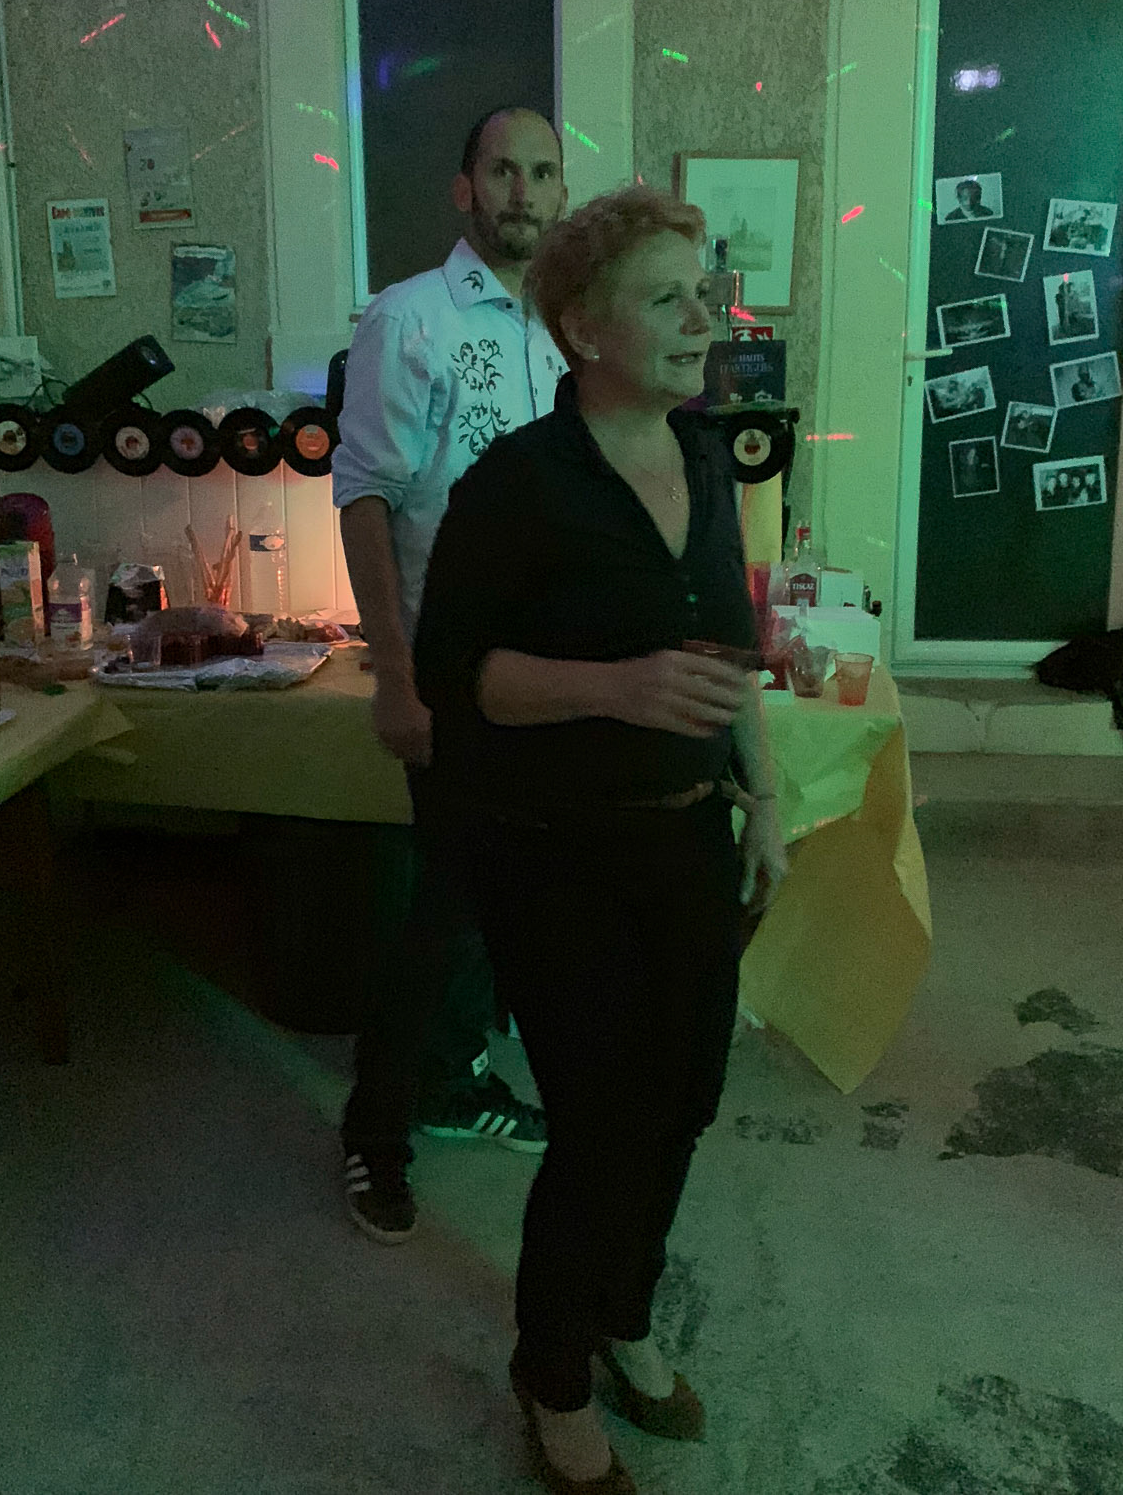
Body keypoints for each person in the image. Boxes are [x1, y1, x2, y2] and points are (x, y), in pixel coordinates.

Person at [413, 185, 788, 1492]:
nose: (703, 321)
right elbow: (458, 678)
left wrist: (765, 799)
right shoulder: (518, 485)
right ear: (583, 327)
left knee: (683, 1098)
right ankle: (552, 1371)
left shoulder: (703, 458)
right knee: (600, 1122)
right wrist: (614, 687)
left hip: (687, 842)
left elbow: (728, 654)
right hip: (554, 855)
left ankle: (624, 1314)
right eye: (666, 299)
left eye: (704, 293)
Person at [331, 107, 570, 1244]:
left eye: (543, 172)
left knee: (497, 904)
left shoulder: (565, 327)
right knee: (446, 910)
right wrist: (394, 675)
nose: (524, 190)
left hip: (548, 676)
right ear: (464, 189)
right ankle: (373, 1129)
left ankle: (452, 1076)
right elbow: (365, 497)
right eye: (503, 170)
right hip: (448, 671)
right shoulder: (408, 318)